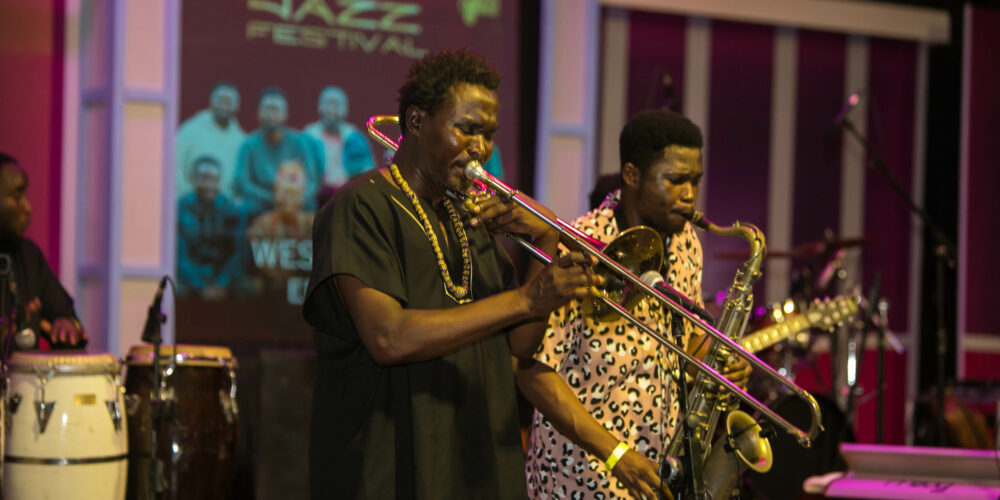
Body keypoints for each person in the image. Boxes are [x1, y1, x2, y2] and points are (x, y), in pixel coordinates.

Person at [303, 49, 601, 499]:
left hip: (473, 464)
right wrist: (525, 299)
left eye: (489, 134)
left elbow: (518, 346)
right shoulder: (362, 204)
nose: (480, 147)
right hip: (388, 468)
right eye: (467, 129)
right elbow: (388, 338)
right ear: (416, 122)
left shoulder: (471, 217)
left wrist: (545, 239)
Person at [517, 110, 750, 499]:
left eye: (695, 180)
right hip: (579, 476)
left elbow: (684, 338)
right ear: (631, 175)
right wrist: (616, 455)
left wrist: (716, 364)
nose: (689, 194)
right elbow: (533, 372)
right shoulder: (579, 246)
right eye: (675, 180)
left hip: (656, 472)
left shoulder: (686, 242)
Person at [0, 152, 86, 348]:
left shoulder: (29, 256)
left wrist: (65, 324)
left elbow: (64, 313)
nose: (28, 207)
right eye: (17, 197)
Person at [233, 87, 324, 219]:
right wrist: (273, 198)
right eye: (267, 109)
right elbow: (242, 182)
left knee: (312, 207)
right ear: (258, 113)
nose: (271, 115)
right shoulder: (249, 145)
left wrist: (297, 198)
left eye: (276, 110)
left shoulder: (298, 142)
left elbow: (312, 180)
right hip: (262, 200)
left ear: (285, 114)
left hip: (294, 198)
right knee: (243, 208)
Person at [176, 156, 247, 299]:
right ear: (193, 179)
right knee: (176, 290)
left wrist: (221, 283)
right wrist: (200, 286)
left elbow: (238, 253)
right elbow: (180, 256)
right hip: (192, 277)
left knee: (248, 289)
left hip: (222, 276)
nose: (209, 185)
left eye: (214, 179)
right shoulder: (181, 209)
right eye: (203, 178)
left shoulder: (232, 210)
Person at [175, 82, 246, 198]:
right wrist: (185, 196)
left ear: (237, 106)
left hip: (226, 205)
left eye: (228, 102)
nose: (224, 105)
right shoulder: (189, 130)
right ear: (211, 101)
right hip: (190, 201)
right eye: (220, 100)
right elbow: (174, 166)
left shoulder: (242, 141)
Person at [302, 86, 375, 188]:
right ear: (320, 107)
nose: (332, 110)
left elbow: (368, 170)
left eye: (336, 105)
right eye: (328, 104)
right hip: (316, 193)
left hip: (348, 192)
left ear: (345, 109)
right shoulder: (308, 138)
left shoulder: (355, 139)